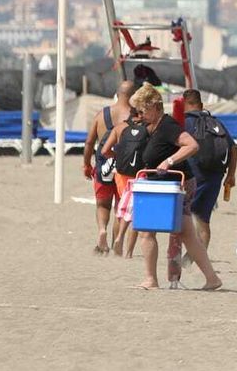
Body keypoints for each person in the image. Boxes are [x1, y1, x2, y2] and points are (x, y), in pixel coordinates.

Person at [132, 85, 220, 291]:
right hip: (163, 186)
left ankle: (151, 279)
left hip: (175, 186)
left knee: (147, 231)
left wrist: (169, 161)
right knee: (187, 233)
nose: (140, 115)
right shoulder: (151, 126)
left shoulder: (168, 125)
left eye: (142, 111)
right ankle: (212, 278)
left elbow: (192, 145)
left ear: (154, 107)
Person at [181, 90, 236, 254]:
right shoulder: (215, 122)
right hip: (215, 176)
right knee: (204, 220)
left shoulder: (184, 122)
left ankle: (192, 255)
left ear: (185, 104)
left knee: (185, 217)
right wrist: (231, 175)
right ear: (201, 105)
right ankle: (199, 256)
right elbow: (233, 148)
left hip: (193, 175)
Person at [83, 80, 133, 255]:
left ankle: (102, 231)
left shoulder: (102, 114)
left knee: (102, 205)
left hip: (103, 165)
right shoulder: (135, 116)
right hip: (125, 167)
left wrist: (86, 164)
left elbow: (89, 142)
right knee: (121, 207)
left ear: (117, 94)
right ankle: (116, 243)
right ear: (133, 96)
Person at [102, 89, 150, 258]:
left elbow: (105, 151)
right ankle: (129, 252)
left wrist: (119, 156)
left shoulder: (119, 128)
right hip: (140, 174)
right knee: (136, 212)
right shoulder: (148, 128)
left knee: (121, 209)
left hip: (121, 175)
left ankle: (117, 243)